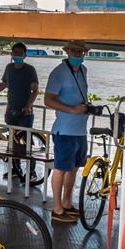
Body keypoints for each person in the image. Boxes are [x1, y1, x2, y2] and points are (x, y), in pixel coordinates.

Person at [43, 40, 90, 223]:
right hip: (65, 131)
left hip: (80, 130)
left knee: (74, 168)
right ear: (68, 51)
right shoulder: (58, 72)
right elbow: (48, 100)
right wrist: (72, 109)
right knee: (61, 168)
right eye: (75, 51)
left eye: (81, 51)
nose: (78, 54)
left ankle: (67, 203)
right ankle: (57, 208)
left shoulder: (83, 70)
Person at [0, 42, 39, 130]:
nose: (17, 54)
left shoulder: (30, 69)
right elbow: (3, 84)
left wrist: (28, 107)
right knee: (11, 136)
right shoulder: (9, 68)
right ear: (11, 54)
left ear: (25, 55)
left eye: (20, 52)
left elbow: (35, 90)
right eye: (15, 52)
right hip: (10, 111)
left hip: (24, 112)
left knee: (25, 136)